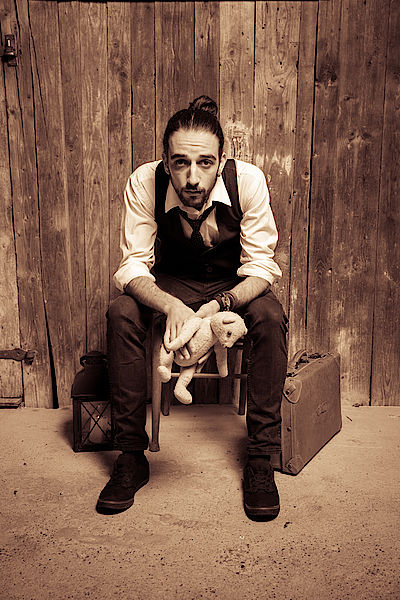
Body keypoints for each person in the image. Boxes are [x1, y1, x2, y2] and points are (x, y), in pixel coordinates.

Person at [97, 96, 288, 520]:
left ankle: (261, 458)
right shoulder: (145, 181)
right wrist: (171, 306)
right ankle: (131, 455)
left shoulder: (248, 181)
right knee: (121, 312)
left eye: (205, 163)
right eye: (181, 163)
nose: (192, 177)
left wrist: (222, 303)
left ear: (221, 161)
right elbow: (132, 266)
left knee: (270, 317)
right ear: (166, 161)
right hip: (172, 282)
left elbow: (261, 267)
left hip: (231, 284)